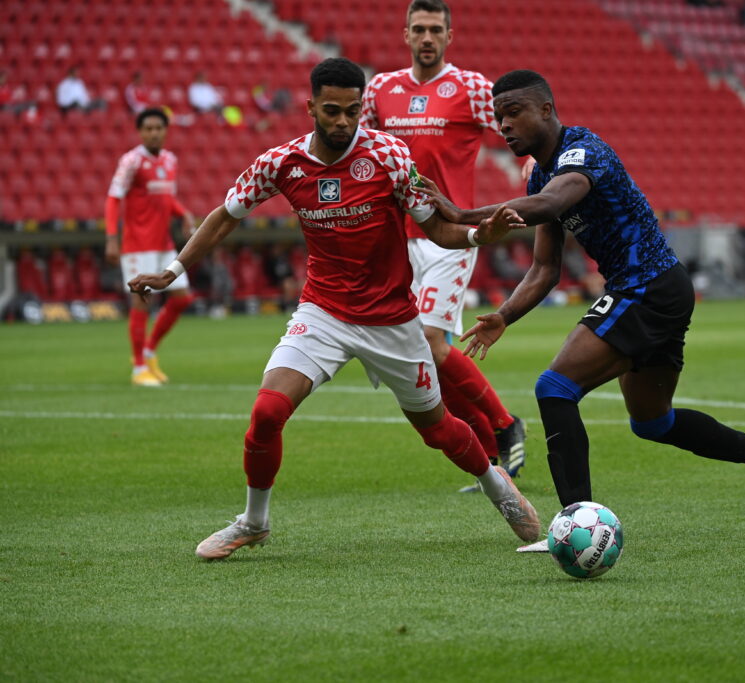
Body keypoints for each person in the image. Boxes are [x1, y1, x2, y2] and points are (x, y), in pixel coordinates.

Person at [127, 58, 540, 560]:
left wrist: (478, 234)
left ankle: (498, 487)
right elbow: (223, 217)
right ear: (310, 108)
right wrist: (172, 272)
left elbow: (436, 228)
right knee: (266, 412)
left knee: (437, 431)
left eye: (351, 111)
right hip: (322, 312)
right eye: (331, 111)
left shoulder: (388, 154)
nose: (342, 122)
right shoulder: (280, 163)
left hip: (391, 320)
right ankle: (254, 522)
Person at [415, 70, 745, 552]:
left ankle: (574, 524)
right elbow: (545, 268)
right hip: (653, 290)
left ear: (546, 111)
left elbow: (552, 202)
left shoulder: (581, 152)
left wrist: (459, 213)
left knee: (554, 388)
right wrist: (504, 316)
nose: (504, 125)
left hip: (649, 285)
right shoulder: (537, 174)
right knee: (653, 422)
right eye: (498, 117)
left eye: (514, 113)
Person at [360, 0, 527, 491]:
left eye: (435, 29)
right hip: (397, 238)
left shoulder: (472, 87)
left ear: (449, 35)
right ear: (406, 34)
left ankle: (504, 422)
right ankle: (493, 458)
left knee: (432, 343)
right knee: (423, 354)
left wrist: (532, 161)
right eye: (419, 29)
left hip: (450, 235)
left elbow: (515, 124)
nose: (427, 37)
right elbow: (361, 149)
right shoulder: (381, 90)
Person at [106, 107, 196, 387]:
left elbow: (166, 198)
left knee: (182, 298)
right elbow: (113, 198)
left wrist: (182, 213)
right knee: (141, 303)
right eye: (149, 128)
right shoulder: (131, 161)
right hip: (137, 246)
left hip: (163, 244)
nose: (154, 133)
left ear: (165, 130)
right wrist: (111, 238)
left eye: (159, 128)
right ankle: (138, 368)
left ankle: (148, 350)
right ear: (140, 132)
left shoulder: (170, 160)